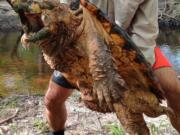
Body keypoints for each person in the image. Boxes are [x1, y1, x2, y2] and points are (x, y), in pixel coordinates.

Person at [45, 0, 180, 135]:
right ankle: (56, 132)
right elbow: (61, 13)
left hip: (131, 45)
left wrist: (131, 75)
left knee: (174, 90)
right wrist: (85, 77)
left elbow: (144, 35)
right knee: (52, 99)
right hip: (82, 45)